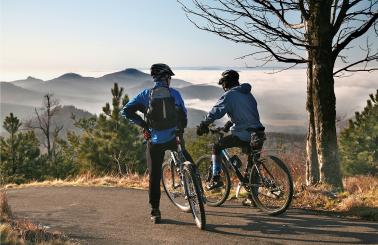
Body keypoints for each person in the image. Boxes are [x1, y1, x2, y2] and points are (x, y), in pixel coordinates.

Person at [121, 63, 188, 223]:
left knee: (155, 175)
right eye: (169, 77)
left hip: (155, 140)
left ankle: (155, 211)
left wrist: (144, 125)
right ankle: (195, 189)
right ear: (166, 78)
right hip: (173, 137)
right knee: (186, 161)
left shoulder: (145, 95)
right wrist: (179, 130)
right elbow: (183, 115)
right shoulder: (175, 94)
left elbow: (126, 111)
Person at [196, 69, 265, 206]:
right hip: (258, 132)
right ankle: (253, 198)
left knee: (217, 146)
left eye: (223, 84)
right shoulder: (247, 93)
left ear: (226, 83)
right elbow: (245, 113)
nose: (222, 87)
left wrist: (204, 124)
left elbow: (216, 111)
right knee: (252, 164)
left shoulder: (229, 95)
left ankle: (216, 178)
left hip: (243, 133)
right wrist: (229, 124)